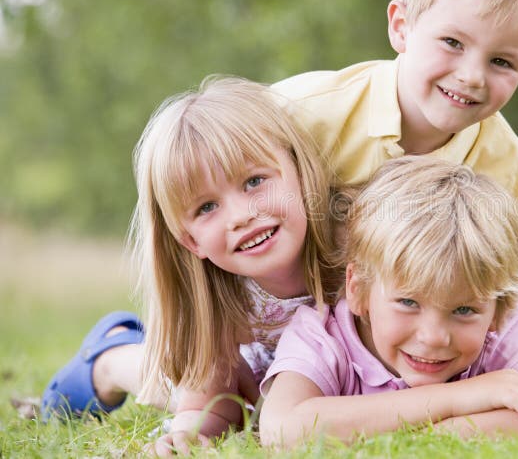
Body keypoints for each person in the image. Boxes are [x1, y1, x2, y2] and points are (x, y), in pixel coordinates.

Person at [271, 0, 518, 397]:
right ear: (401, 26)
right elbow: (199, 181)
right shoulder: (307, 114)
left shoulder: (502, 157)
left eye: (502, 62)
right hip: (276, 314)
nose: (471, 76)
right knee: (196, 387)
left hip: (393, 331)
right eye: (453, 43)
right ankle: (122, 355)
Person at [41, 76, 339, 455]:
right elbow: (205, 403)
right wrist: (188, 435)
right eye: (207, 207)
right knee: (184, 387)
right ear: (190, 240)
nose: (241, 216)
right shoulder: (222, 295)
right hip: (251, 375)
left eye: (254, 181)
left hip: (303, 377)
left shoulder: (356, 246)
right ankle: (111, 356)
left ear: (298, 168)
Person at [260, 157, 518, 446]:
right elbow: (283, 427)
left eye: (464, 310)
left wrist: (399, 437)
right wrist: (460, 398)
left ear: (499, 311)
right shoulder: (321, 336)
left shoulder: (506, 331)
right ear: (358, 290)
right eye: (408, 303)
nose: (433, 337)